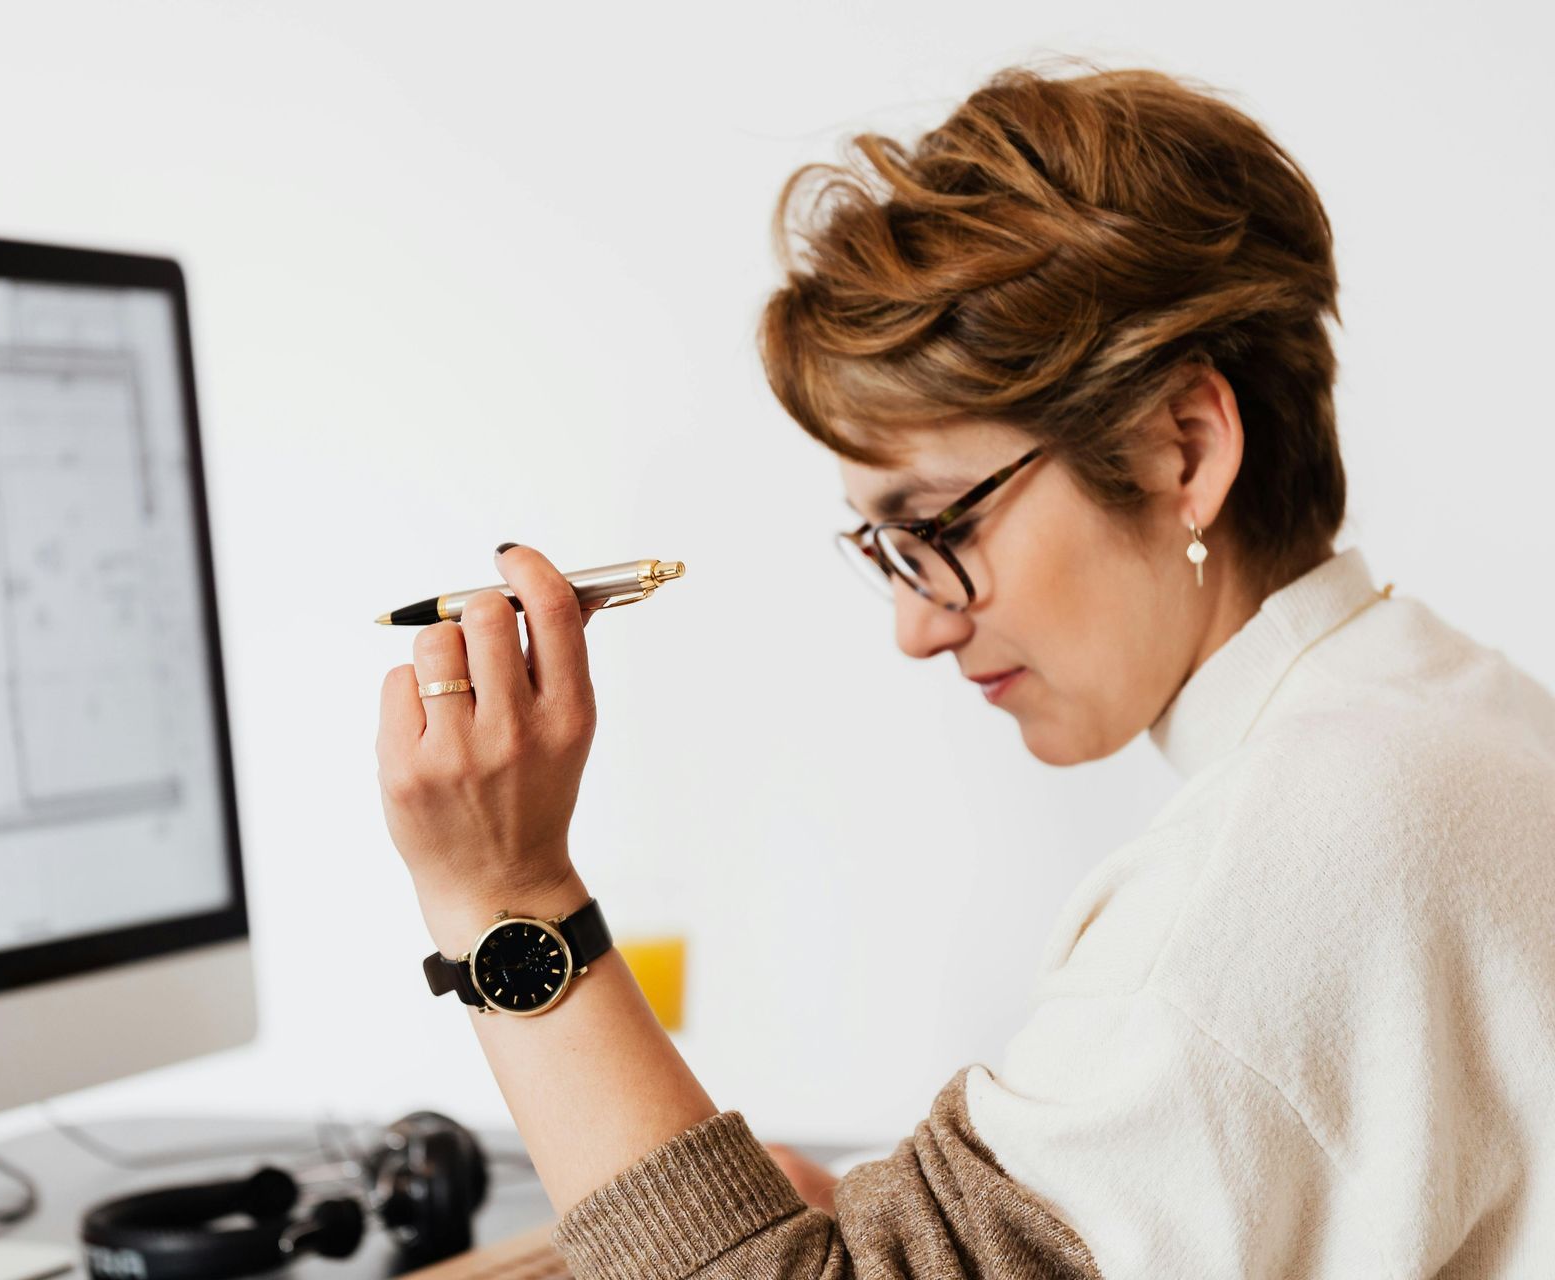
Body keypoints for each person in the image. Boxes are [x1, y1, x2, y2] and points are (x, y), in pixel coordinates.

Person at [374, 58, 1555, 1278]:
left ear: (1180, 447)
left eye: (940, 526)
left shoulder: (1296, 857)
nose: (917, 627)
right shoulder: (1453, 714)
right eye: (885, 548)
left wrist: (505, 892)